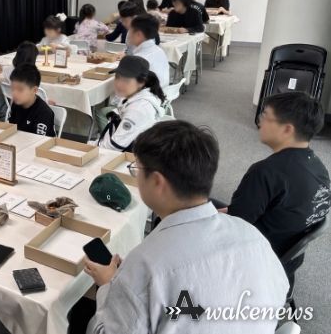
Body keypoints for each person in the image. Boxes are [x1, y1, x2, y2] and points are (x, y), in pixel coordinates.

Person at [85, 121, 289, 334]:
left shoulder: (145, 265)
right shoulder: (253, 236)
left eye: (137, 169)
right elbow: (280, 290)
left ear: (157, 181)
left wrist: (108, 286)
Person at [225, 92, 329, 287]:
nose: (260, 121)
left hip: (256, 258)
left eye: (265, 115)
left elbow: (234, 225)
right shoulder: (320, 169)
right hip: (288, 259)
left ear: (287, 129)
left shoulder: (266, 172)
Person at [97, 56, 166, 152]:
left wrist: (94, 149)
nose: (119, 84)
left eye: (126, 80)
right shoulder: (134, 95)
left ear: (141, 83)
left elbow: (114, 146)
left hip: (128, 156)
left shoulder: (138, 109)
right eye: (117, 77)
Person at [8, 64, 56, 136]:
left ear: (34, 90)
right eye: (12, 88)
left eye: (20, 89)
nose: (14, 93)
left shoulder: (44, 113)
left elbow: (39, 141)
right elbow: (12, 129)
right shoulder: (16, 104)